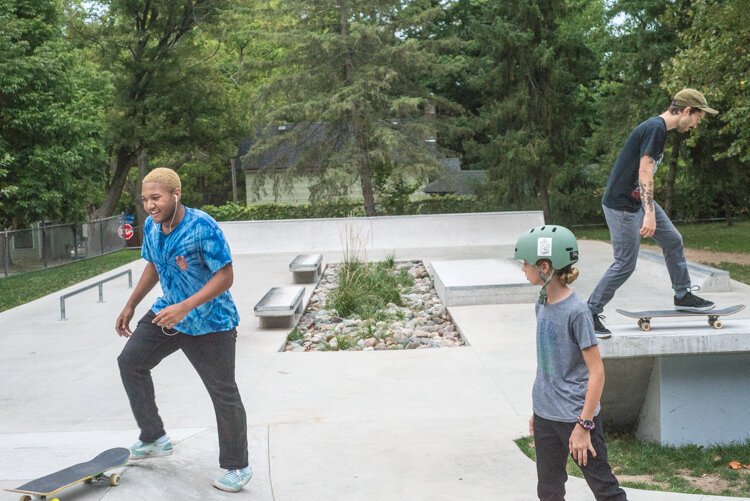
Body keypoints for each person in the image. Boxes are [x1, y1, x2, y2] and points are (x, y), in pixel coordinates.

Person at [115, 167, 251, 493]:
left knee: (223, 393)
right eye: (145, 199)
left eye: (156, 197)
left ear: (176, 194)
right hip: (168, 313)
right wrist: (132, 304)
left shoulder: (202, 226)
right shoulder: (151, 226)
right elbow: (154, 265)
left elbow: (226, 275)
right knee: (130, 361)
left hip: (210, 323)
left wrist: (186, 306)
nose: (149, 205)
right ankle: (154, 436)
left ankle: (237, 466)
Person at [588, 88, 719, 337]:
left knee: (673, 240)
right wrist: (649, 213)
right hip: (622, 205)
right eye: (696, 119)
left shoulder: (658, 130)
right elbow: (645, 172)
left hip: (637, 200)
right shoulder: (656, 129)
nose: (695, 126)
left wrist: (647, 208)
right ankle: (590, 312)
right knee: (625, 263)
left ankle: (682, 295)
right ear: (687, 111)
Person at [515, 225, 627, 501]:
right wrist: (539, 409)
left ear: (544, 266)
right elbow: (549, 364)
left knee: (605, 489)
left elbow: (597, 371)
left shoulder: (577, 312)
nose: (522, 268)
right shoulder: (541, 302)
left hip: (576, 416)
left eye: (525, 263)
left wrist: (584, 425)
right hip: (545, 414)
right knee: (549, 490)